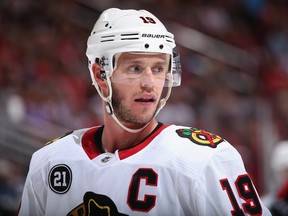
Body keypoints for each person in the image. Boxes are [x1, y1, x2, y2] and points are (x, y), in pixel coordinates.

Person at [18, 8, 271, 216]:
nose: (150, 83)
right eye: (136, 68)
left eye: (159, 68)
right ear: (100, 75)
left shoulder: (204, 159)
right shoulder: (49, 160)